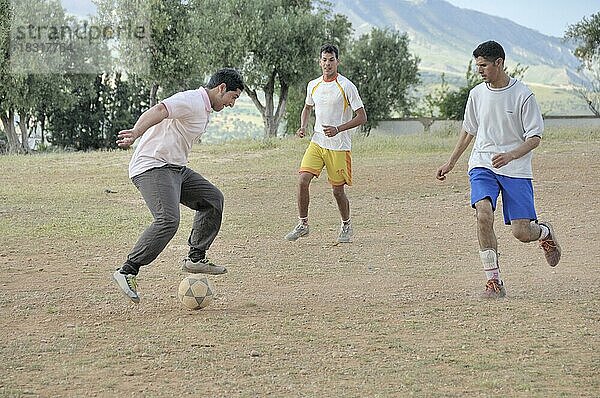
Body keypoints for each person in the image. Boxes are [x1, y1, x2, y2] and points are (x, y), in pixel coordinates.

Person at [435, 40, 562, 299]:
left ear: (499, 63)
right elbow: (469, 129)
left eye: (483, 65)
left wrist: (511, 155)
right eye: (477, 66)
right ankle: (494, 282)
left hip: (515, 168)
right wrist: (451, 162)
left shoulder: (523, 95)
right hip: (482, 163)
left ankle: (545, 233)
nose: (479, 71)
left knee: (522, 232)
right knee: (483, 214)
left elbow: (535, 137)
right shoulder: (477, 94)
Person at [112, 68, 244, 304]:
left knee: (213, 199)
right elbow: (161, 110)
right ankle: (128, 270)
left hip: (176, 169)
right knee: (168, 220)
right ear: (221, 88)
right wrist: (136, 132)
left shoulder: (203, 108)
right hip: (152, 166)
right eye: (233, 97)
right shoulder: (192, 100)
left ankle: (195, 257)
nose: (232, 104)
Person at [285, 44, 367, 243]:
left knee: (337, 191)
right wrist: (303, 126)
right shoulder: (313, 85)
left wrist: (338, 129)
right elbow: (307, 108)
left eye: (331, 60)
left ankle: (346, 225)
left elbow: (362, 116)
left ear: (338, 62)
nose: (327, 64)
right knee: (302, 180)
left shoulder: (346, 86)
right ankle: (303, 224)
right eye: (324, 60)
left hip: (339, 146)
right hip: (317, 142)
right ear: (319, 61)